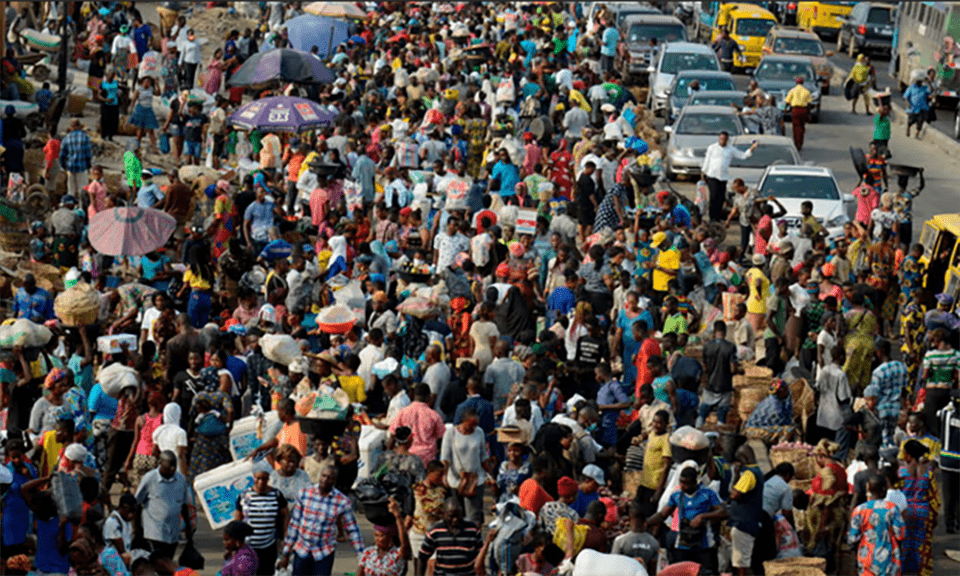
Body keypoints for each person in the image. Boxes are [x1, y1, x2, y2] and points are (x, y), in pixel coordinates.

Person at [279, 464, 364, 575]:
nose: (326, 480)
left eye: (330, 478)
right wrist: (286, 553)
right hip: (302, 550)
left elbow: (352, 530)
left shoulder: (342, 501)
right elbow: (294, 525)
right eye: (324, 476)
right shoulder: (304, 493)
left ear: (335, 481)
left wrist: (362, 556)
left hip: (324, 552)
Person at [646, 466, 726, 571]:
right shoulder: (676, 495)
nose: (682, 486)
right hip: (682, 544)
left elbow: (723, 512)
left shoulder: (707, 493)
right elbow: (663, 514)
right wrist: (646, 522)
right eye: (681, 482)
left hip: (704, 544)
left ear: (694, 482)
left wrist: (703, 516)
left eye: (686, 483)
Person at [135, 450, 192, 560]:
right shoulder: (150, 479)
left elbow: (184, 505)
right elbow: (137, 503)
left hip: (173, 532)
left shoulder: (180, 480)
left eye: (174, 468)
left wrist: (188, 527)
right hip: (154, 532)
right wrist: (137, 529)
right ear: (160, 464)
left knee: (168, 561)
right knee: (159, 563)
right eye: (168, 468)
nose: (172, 471)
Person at [848, 474, 905, 576]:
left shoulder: (859, 510)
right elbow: (900, 534)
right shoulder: (892, 509)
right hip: (889, 561)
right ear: (885, 489)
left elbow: (853, 538)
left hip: (867, 560)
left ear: (868, 488)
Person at [440, 406, 489, 526]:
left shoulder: (479, 432)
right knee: (456, 514)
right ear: (463, 421)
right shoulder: (451, 433)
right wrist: (444, 475)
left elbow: (483, 455)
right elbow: (445, 457)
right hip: (455, 480)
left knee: (474, 516)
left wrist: (490, 474)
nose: (473, 427)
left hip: (474, 480)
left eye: (475, 424)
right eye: (471, 424)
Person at [899, 439, 939, 576]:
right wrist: (934, 516)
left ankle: (904, 569)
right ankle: (922, 571)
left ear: (908, 455)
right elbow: (934, 497)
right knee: (922, 543)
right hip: (923, 510)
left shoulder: (902, 472)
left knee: (905, 542)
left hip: (905, 511)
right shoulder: (928, 473)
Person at [418, 497, 486, 576]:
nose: (455, 519)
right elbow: (422, 557)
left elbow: (480, 557)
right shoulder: (435, 531)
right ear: (444, 514)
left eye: (458, 516)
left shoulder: (473, 530)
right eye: (451, 516)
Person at [701, 131, 757, 222]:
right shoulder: (712, 148)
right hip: (712, 175)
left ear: (727, 140)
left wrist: (751, 148)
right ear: (719, 139)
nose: (722, 141)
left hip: (723, 177)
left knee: (721, 198)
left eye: (724, 139)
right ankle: (712, 218)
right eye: (721, 139)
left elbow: (743, 156)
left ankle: (717, 217)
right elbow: (707, 160)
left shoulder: (730, 149)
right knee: (713, 197)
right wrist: (703, 171)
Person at [357, 499, 410, 576]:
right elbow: (359, 573)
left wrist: (397, 515)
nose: (377, 539)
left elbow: (405, 544)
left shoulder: (397, 555)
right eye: (376, 535)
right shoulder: (368, 553)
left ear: (390, 537)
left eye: (381, 536)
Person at [59, 118, 93, 199]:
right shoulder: (85, 137)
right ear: (79, 126)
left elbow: (62, 155)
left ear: (71, 127)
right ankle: (81, 208)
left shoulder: (67, 138)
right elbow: (88, 154)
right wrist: (88, 166)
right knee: (82, 190)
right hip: (82, 167)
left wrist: (64, 166)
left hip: (71, 167)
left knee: (71, 190)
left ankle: (70, 206)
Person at [783, 76, 812, 151]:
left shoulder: (792, 90)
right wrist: (808, 113)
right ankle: (801, 142)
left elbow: (787, 102)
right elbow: (809, 104)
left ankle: (796, 143)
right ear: (802, 83)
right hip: (803, 110)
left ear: (796, 83)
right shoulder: (806, 91)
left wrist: (785, 109)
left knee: (796, 127)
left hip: (795, 110)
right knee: (802, 127)